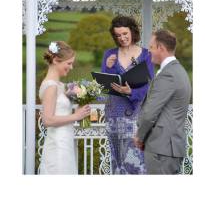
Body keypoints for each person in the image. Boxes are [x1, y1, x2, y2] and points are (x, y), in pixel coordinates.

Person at [101, 16, 154, 174]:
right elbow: (105, 84)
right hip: (114, 114)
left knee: (137, 159)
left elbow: (150, 86)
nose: (122, 38)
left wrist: (131, 92)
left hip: (136, 115)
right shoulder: (109, 54)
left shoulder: (146, 55)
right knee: (118, 160)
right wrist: (109, 67)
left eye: (125, 33)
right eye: (118, 35)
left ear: (132, 31)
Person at [134, 30, 191, 174]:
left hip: (161, 149)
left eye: (151, 47)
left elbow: (150, 113)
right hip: (168, 148)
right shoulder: (178, 71)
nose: (149, 51)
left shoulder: (168, 74)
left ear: (161, 48)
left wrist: (140, 137)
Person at [39, 41, 91, 174]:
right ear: (56, 60)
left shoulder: (59, 86)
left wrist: (75, 95)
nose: (71, 67)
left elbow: (59, 108)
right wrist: (76, 116)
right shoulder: (51, 86)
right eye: (69, 63)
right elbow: (48, 120)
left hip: (65, 141)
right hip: (58, 146)